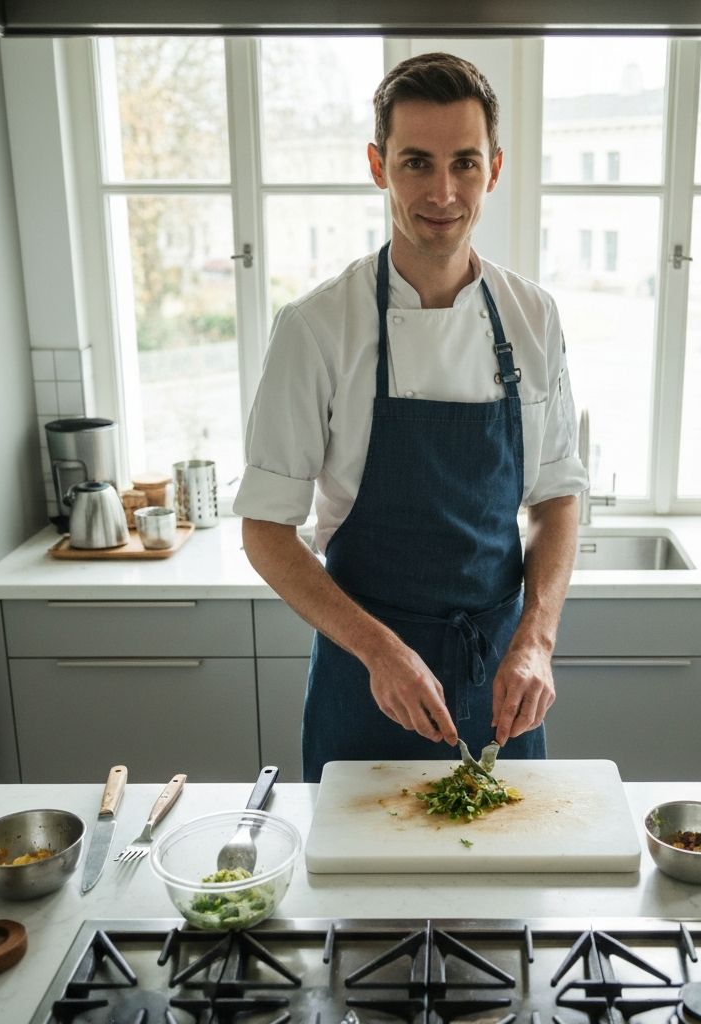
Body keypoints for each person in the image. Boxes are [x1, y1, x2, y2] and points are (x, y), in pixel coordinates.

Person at [234, 52, 588, 782]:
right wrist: (380, 651)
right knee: (359, 898)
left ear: (494, 168)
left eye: (464, 163)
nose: (443, 191)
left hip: (501, 683)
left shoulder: (533, 317)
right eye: (416, 163)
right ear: (378, 165)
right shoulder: (316, 327)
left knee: (504, 890)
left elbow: (556, 497)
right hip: (368, 683)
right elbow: (266, 531)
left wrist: (538, 640)